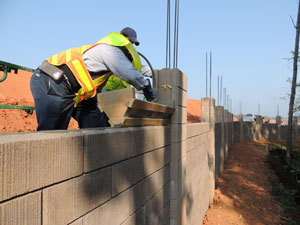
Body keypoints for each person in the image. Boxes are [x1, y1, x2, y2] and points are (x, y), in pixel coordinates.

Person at [30, 27, 155, 131]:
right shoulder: (109, 50)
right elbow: (129, 72)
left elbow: (135, 70)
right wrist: (146, 87)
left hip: (76, 91)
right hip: (51, 80)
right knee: (52, 131)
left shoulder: (110, 59)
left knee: (96, 124)